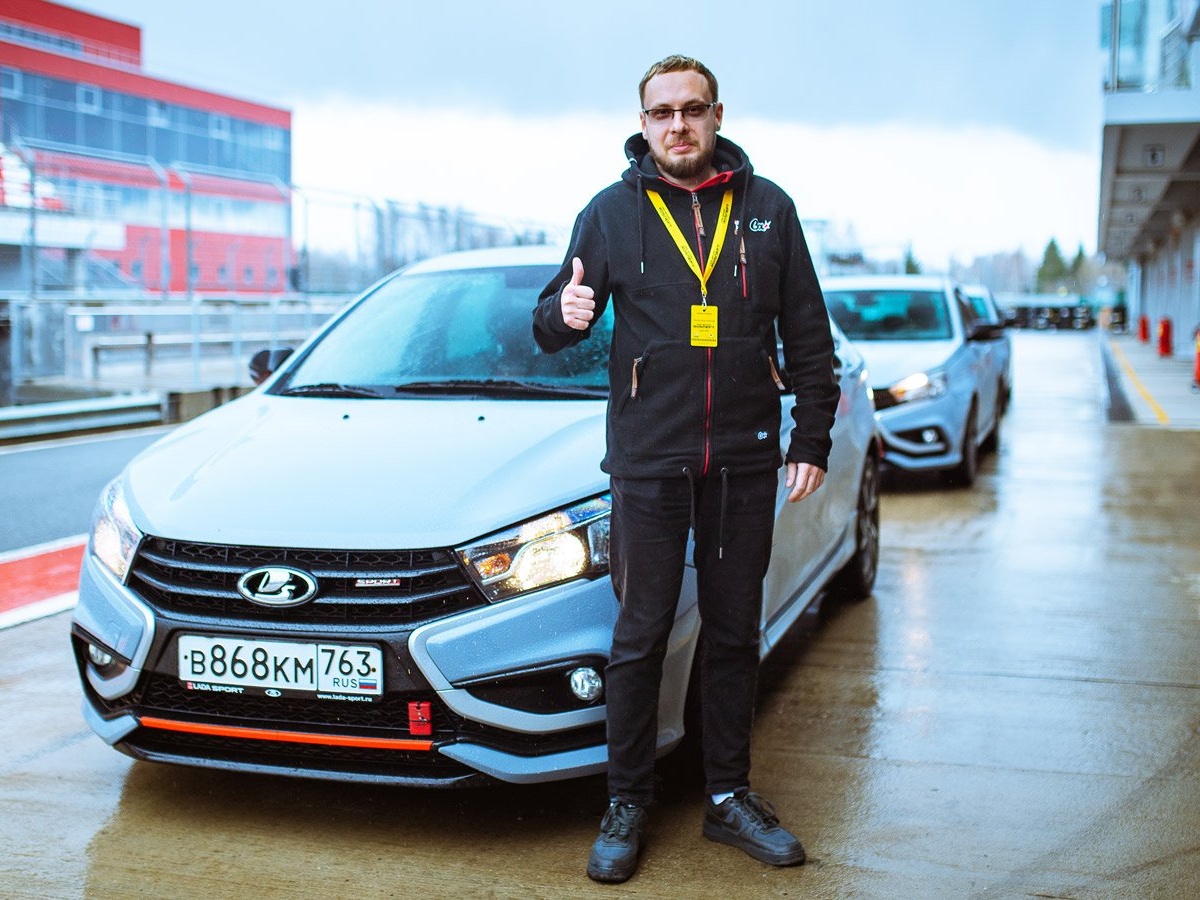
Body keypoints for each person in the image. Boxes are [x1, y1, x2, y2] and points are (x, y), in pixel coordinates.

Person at [532, 54, 839, 884]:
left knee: (737, 633)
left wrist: (809, 439)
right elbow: (547, 326)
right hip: (648, 463)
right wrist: (562, 314)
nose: (678, 125)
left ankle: (728, 796)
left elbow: (808, 336)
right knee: (637, 638)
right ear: (642, 125)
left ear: (716, 116)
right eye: (662, 112)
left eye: (692, 110)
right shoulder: (609, 214)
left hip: (743, 460)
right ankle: (627, 800)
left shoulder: (770, 210)